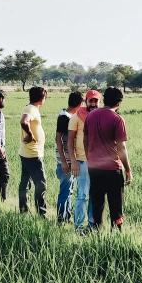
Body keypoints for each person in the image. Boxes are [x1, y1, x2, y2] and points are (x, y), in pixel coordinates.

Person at [83, 86, 132, 230]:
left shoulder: (90, 116)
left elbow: (85, 141)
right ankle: (116, 234)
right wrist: (128, 170)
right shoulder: (117, 119)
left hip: (94, 168)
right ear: (119, 103)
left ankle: (96, 232)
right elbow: (121, 148)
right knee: (116, 205)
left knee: (97, 203)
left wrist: (89, 158)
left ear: (104, 100)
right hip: (112, 169)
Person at [68, 89, 100, 234]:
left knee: (95, 195)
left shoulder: (101, 117)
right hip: (83, 162)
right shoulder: (77, 116)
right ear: (86, 102)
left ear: (100, 102)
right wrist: (73, 161)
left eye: (96, 101)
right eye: (90, 101)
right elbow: (69, 141)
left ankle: (92, 225)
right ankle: (79, 226)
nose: (93, 103)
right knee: (83, 195)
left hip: (98, 163)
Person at [19, 86, 48, 217]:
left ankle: (23, 210)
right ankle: (42, 213)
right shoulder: (31, 109)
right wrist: (30, 135)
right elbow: (24, 122)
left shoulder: (30, 108)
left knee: (25, 182)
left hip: (27, 152)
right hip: (32, 154)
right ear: (42, 98)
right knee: (41, 184)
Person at [55, 91, 83, 223]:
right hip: (65, 161)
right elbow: (58, 139)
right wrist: (65, 162)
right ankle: (61, 220)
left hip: (70, 160)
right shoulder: (65, 117)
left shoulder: (69, 116)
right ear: (80, 104)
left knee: (69, 191)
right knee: (65, 191)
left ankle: (67, 217)